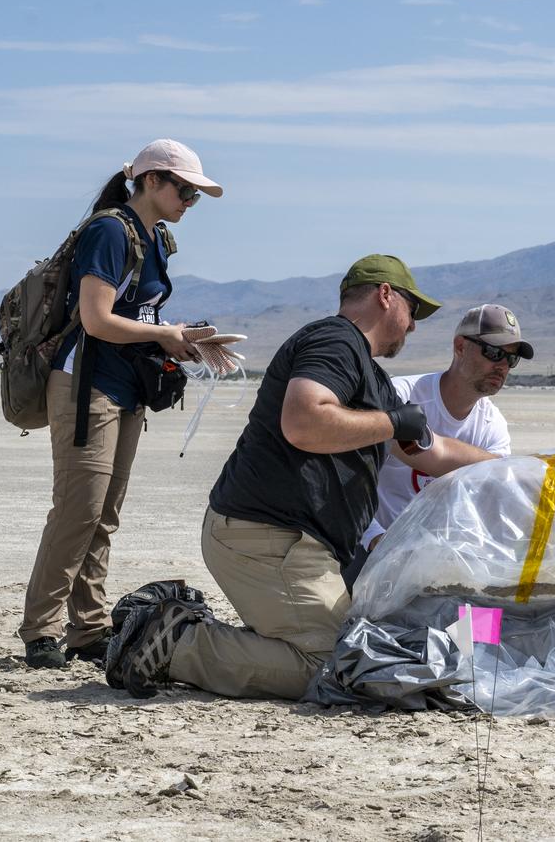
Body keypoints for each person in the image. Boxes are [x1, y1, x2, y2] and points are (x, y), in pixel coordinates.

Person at [107, 254, 499, 699]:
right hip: (268, 538)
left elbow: (433, 451)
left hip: (294, 545)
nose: (412, 327)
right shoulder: (335, 341)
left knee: (365, 645)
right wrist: (392, 423)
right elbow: (304, 421)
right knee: (340, 664)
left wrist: (518, 470)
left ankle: (201, 630)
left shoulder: (373, 378)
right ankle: (174, 642)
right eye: (412, 311)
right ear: (386, 296)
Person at [20, 139, 222, 669]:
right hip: (86, 386)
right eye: (185, 190)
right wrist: (165, 335)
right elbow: (97, 319)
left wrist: (183, 338)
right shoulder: (111, 230)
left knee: (104, 515)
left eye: (195, 196)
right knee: (78, 510)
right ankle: (41, 630)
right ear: (151, 181)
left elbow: (140, 317)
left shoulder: (156, 237)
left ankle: (87, 630)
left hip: (125, 388)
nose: (189, 202)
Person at [356, 303, 534, 563]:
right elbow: (349, 477)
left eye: (511, 358)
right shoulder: (401, 397)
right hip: (374, 555)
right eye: (493, 352)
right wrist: (375, 539)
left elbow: (492, 502)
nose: (502, 366)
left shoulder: (491, 424)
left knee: (490, 605)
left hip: (444, 565)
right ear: (460, 346)